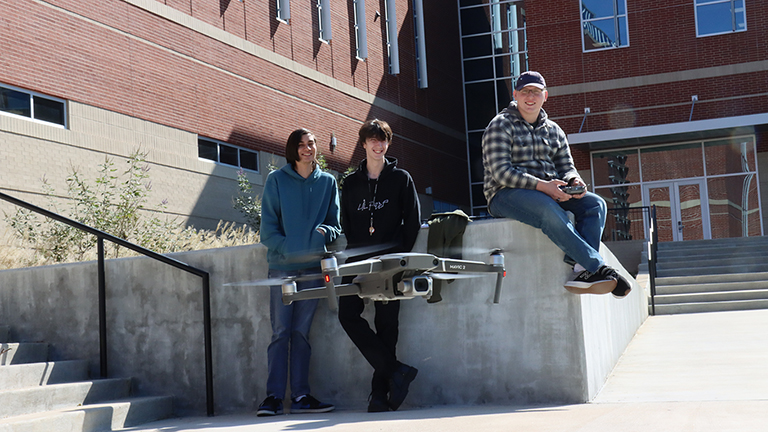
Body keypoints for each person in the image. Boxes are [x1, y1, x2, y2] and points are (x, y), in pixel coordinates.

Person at [481, 71, 631, 298]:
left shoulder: (554, 131)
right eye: (524, 91)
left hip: (549, 191)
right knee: (547, 208)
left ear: (545, 96)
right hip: (505, 194)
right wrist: (544, 186)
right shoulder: (500, 125)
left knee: (596, 204)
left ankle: (581, 269)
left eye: (536, 92)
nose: (530, 97)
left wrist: (574, 180)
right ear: (515, 94)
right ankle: (596, 266)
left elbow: (566, 165)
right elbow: (501, 173)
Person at [338, 119, 422, 412]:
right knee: (347, 314)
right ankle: (395, 370)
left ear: (388, 143)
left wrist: (400, 260)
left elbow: (412, 221)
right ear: (363, 143)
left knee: (387, 325)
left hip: (390, 262)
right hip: (357, 259)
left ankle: (378, 395)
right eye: (373, 140)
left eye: (383, 140)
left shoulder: (401, 179)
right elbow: (346, 224)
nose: (379, 145)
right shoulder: (349, 183)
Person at [257, 128, 341, 416]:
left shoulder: (328, 182)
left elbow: (335, 224)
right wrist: (289, 249)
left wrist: (323, 232)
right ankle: (273, 398)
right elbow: (267, 230)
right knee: (280, 332)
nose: (308, 149)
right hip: (282, 268)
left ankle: (302, 397)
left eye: (312, 144)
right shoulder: (276, 180)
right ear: (293, 149)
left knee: (301, 334)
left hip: (313, 270)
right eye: (302, 145)